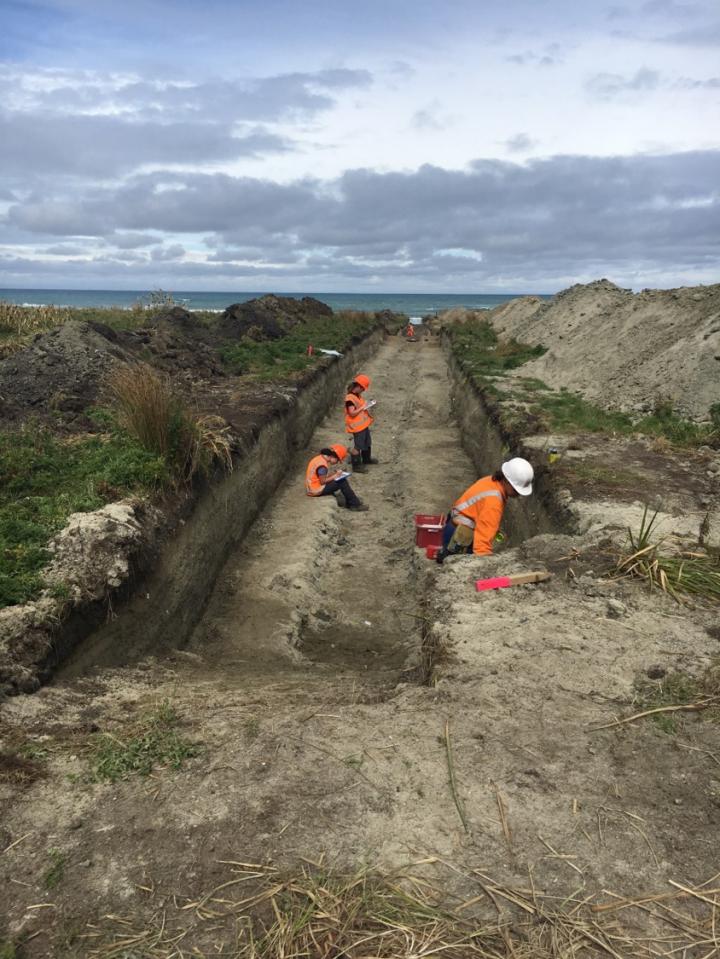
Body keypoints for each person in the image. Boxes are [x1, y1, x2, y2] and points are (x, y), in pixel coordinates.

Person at [435, 457, 534, 564]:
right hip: (460, 537)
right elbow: (482, 544)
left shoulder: (491, 480)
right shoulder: (493, 503)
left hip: (454, 526)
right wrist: (484, 564)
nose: (518, 494)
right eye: (516, 489)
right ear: (506, 481)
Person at [305, 444, 369, 511]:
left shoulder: (320, 458)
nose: (337, 462)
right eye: (338, 460)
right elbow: (322, 481)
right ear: (333, 456)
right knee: (342, 482)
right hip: (315, 490)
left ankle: (352, 502)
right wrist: (335, 476)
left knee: (340, 480)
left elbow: (320, 477)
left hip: (312, 487)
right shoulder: (322, 466)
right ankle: (354, 505)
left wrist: (334, 474)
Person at [345, 374, 377, 472]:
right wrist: (363, 407)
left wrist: (366, 404)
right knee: (358, 446)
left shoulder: (357, 395)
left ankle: (367, 459)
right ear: (358, 386)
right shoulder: (349, 399)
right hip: (357, 427)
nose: (363, 390)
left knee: (367, 443)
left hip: (363, 425)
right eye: (363, 388)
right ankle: (357, 466)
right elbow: (352, 413)